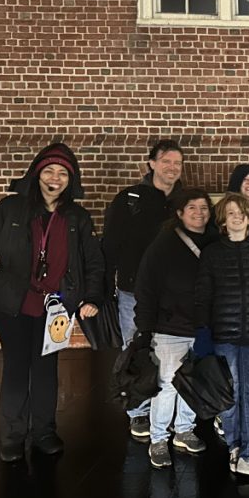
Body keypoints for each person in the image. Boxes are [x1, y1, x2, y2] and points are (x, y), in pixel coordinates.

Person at [0, 143, 104, 462]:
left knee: (46, 369)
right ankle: (12, 436)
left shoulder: (77, 217)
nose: (55, 178)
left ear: (71, 179)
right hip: (13, 303)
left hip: (57, 307)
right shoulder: (11, 208)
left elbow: (93, 260)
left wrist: (92, 297)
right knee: (17, 367)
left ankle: (44, 432)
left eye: (63, 173)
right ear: (36, 173)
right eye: (49, 170)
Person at [195, 193, 249, 478]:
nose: (236, 217)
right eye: (230, 213)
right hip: (223, 335)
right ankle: (236, 447)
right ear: (222, 220)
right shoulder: (212, 253)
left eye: (241, 213)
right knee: (229, 393)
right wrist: (203, 332)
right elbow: (203, 296)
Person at [103, 139, 185, 441]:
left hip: (173, 292)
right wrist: (102, 287)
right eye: (166, 161)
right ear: (151, 163)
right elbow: (110, 244)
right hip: (133, 291)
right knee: (135, 348)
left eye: (177, 163)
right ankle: (138, 411)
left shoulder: (185, 201)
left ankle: (166, 409)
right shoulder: (130, 199)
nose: (172, 168)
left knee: (168, 351)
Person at [133, 187, 216, 469]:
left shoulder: (214, 241)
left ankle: (184, 430)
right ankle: (158, 438)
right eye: (192, 207)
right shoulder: (164, 245)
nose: (199, 213)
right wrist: (144, 328)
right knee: (167, 384)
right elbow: (146, 287)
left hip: (203, 328)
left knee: (193, 382)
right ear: (180, 212)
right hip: (170, 327)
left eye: (204, 207)